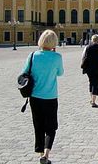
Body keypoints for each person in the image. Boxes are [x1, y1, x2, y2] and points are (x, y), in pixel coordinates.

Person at [21, 29, 64, 164]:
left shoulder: (33, 55)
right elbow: (60, 73)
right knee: (51, 127)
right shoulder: (57, 57)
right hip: (50, 97)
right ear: (54, 43)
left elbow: (24, 73)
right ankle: (46, 154)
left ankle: (40, 152)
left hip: (34, 96)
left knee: (38, 125)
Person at [81, 34, 98, 108]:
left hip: (89, 69)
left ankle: (91, 99)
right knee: (96, 84)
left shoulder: (87, 47)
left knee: (91, 82)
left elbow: (83, 57)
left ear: (92, 40)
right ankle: (93, 101)